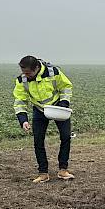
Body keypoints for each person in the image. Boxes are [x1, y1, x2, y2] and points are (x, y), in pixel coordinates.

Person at [13, 55, 74, 183]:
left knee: (66, 136)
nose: (26, 75)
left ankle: (63, 170)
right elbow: (19, 101)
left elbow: (66, 87)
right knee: (38, 140)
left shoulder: (53, 72)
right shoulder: (22, 80)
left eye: (28, 72)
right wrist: (23, 119)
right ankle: (43, 173)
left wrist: (64, 103)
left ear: (37, 68)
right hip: (39, 110)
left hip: (58, 107)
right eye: (23, 72)